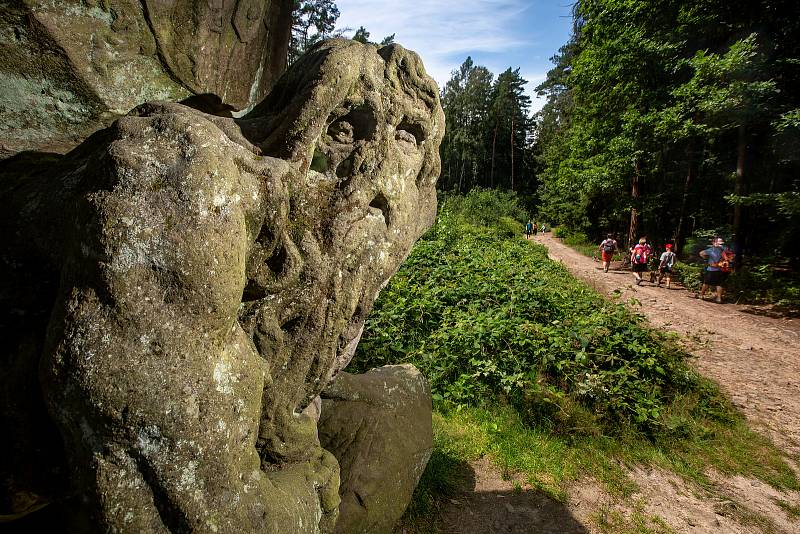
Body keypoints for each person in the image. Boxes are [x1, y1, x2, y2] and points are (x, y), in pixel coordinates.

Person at [698, 237, 730, 303]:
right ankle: (719, 298)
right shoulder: (725, 249)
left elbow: (701, 253)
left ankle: (701, 295)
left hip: (711, 269)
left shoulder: (711, 250)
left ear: (714, 242)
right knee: (719, 284)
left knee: (706, 283)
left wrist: (706, 259)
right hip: (722, 269)